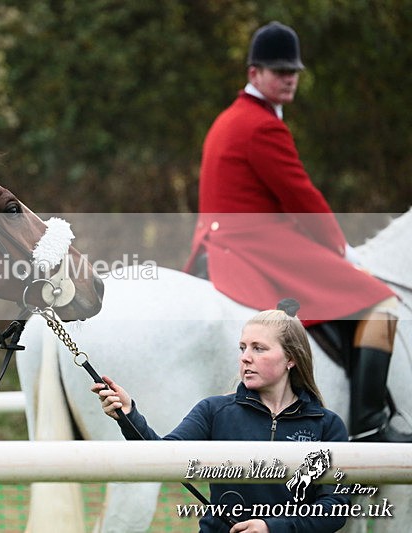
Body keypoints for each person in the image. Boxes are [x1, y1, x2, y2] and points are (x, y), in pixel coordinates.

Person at [182, 21, 406, 442]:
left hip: (222, 244)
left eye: (293, 71)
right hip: (257, 247)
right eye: (278, 70)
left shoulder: (231, 118)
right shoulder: (261, 124)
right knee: (380, 305)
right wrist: (342, 251)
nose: (289, 78)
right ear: (254, 73)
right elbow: (301, 197)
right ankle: (370, 425)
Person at [92, 301, 349, 532]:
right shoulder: (213, 411)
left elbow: (335, 509)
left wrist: (273, 528)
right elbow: (162, 457)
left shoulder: (327, 425)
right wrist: (128, 414)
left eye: (259, 348)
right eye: (242, 347)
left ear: (290, 358)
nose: (245, 358)